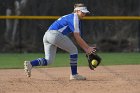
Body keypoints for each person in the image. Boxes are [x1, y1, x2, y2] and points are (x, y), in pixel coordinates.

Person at [24, 3, 96, 80]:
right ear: (77, 11)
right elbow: (77, 37)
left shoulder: (69, 17)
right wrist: (87, 48)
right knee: (74, 50)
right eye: (82, 11)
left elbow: (77, 37)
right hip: (55, 35)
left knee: (49, 61)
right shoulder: (74, 17)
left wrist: (86, 48)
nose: (84, 13)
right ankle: (74, 75)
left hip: (47, 35)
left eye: (85, 12)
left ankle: (30, 63)